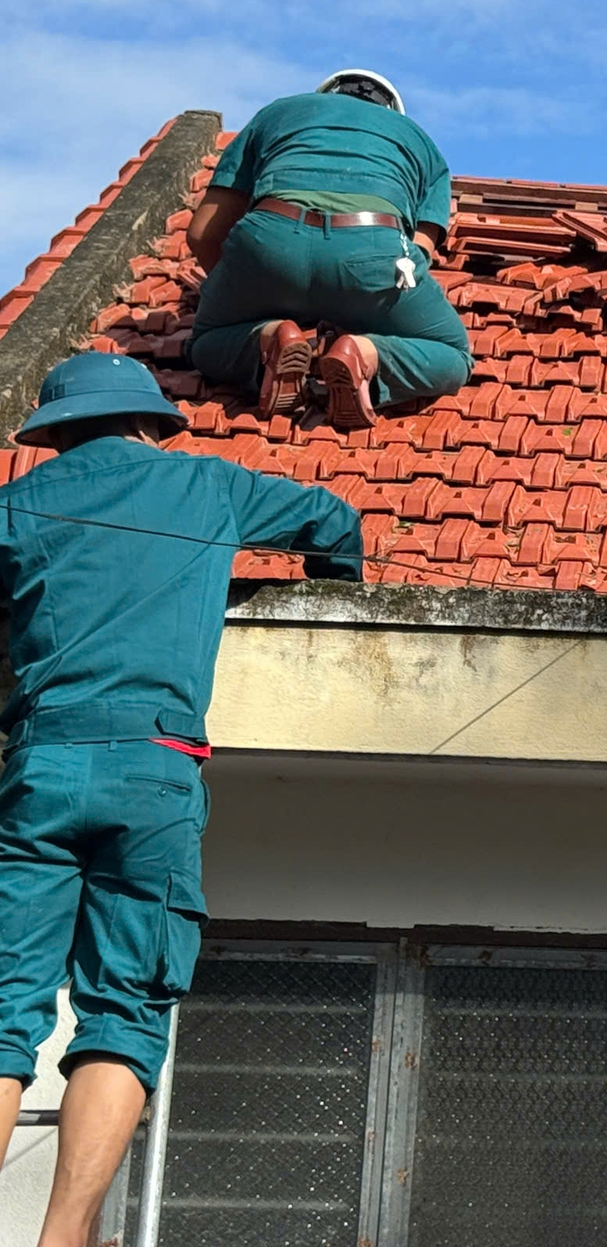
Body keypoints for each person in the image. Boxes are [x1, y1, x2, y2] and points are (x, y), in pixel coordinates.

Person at [0, 353, 362, 1247]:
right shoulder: (209, 488)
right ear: (149, 423)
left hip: (40, 763)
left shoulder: (14, 507)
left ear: (57, 433)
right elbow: (333, 520)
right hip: (154, 769)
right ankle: (64, 1236)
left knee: (4, 1003)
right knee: (123, 1011)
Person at [187, 69, 474, 429]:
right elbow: (418, 255)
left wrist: (241, 294)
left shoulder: (278, 113)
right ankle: (363, 355)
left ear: (325, 96)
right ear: (392, 112)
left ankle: (271, 338)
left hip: (270, 240)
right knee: (453, 355)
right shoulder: (420, 141)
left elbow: (201, 234)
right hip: (371, 248)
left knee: (205, 343)